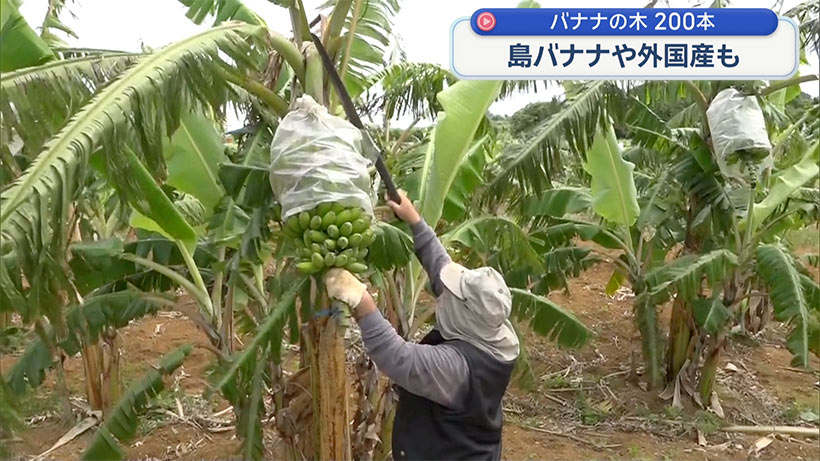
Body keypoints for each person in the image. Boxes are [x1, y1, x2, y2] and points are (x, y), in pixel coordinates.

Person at [323, 192, 520, 461]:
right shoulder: (491, 326)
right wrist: (414, 219)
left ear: (463, 312)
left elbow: (398, 358)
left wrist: (362, 300)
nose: (444, 291)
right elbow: (441, 266)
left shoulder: (456, 368)